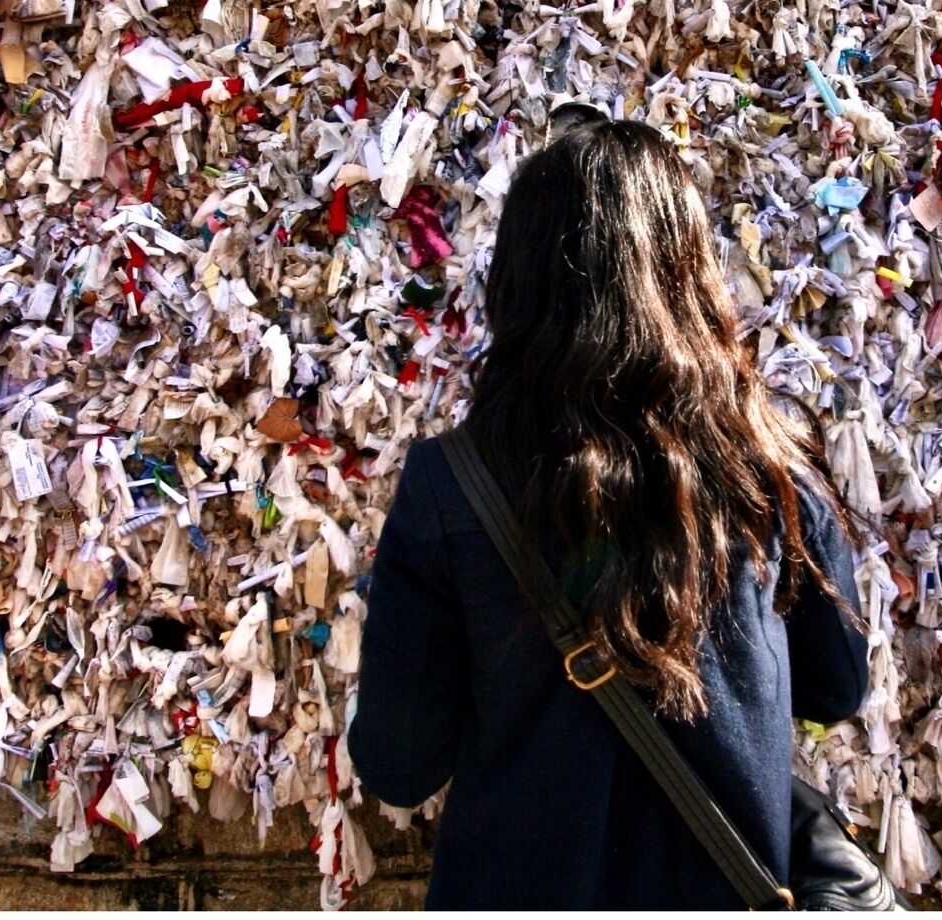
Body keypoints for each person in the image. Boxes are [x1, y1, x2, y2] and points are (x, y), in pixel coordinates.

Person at [348, 116, 869, 909]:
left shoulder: (450, 486)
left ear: (518, 280)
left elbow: (399, 764)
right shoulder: (769, 466)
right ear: (690, 272)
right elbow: (836, 687)